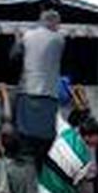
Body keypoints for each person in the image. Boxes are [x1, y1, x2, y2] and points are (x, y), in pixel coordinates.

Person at [10, 9, 65, 170]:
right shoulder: (60, 40)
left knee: (23, 133)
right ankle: (39, 167)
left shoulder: (27, 36)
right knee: (45, 137)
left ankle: (25, 165)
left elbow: (14, 57)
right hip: (50, 96)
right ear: (55, 23)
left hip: (28, 92)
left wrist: (17, 40)